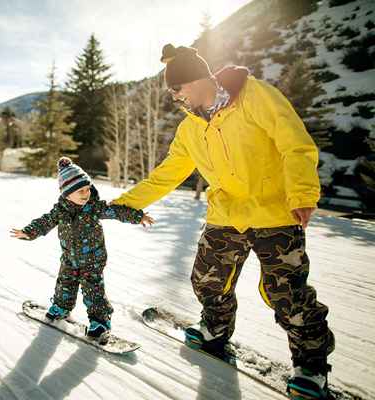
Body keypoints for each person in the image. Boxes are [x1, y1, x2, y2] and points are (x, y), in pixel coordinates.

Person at [111, 44, 335, 399]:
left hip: (274, 212)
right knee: (207, 281)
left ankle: (311, 365)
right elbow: (165, 176)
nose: (176, 98)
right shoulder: (190, 129)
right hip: (225, 215)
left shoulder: (255, 96)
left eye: (176, 89)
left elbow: (295, 142)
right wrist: (120, 205)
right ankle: (214, 330)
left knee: (287, 295)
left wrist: (303, 193)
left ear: (194, 80)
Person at [11, 157, 154, 339]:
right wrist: (28, 232)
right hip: (70, 259)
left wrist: (137, 216)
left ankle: (100, 322)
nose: (86, 193)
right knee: (65, 285)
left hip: (93, 260)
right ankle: (61, 309)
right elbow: (45, 221)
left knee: (93, 290)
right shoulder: (60, 211)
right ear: (67, 193)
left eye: (88, 189)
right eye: (81, 190)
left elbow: (116, 211)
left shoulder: (94, 208)